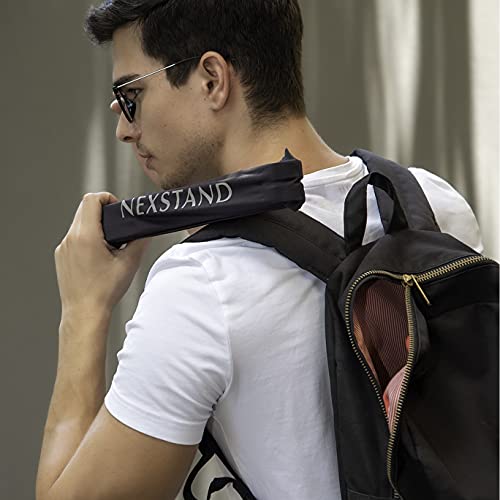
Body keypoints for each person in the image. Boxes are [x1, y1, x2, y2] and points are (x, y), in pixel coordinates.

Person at [36, 1, 483, 499]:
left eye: (131, 96)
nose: (123, 129)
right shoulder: (431, 204)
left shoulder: (202, 287)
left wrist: (83, 310)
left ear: (212, 80)